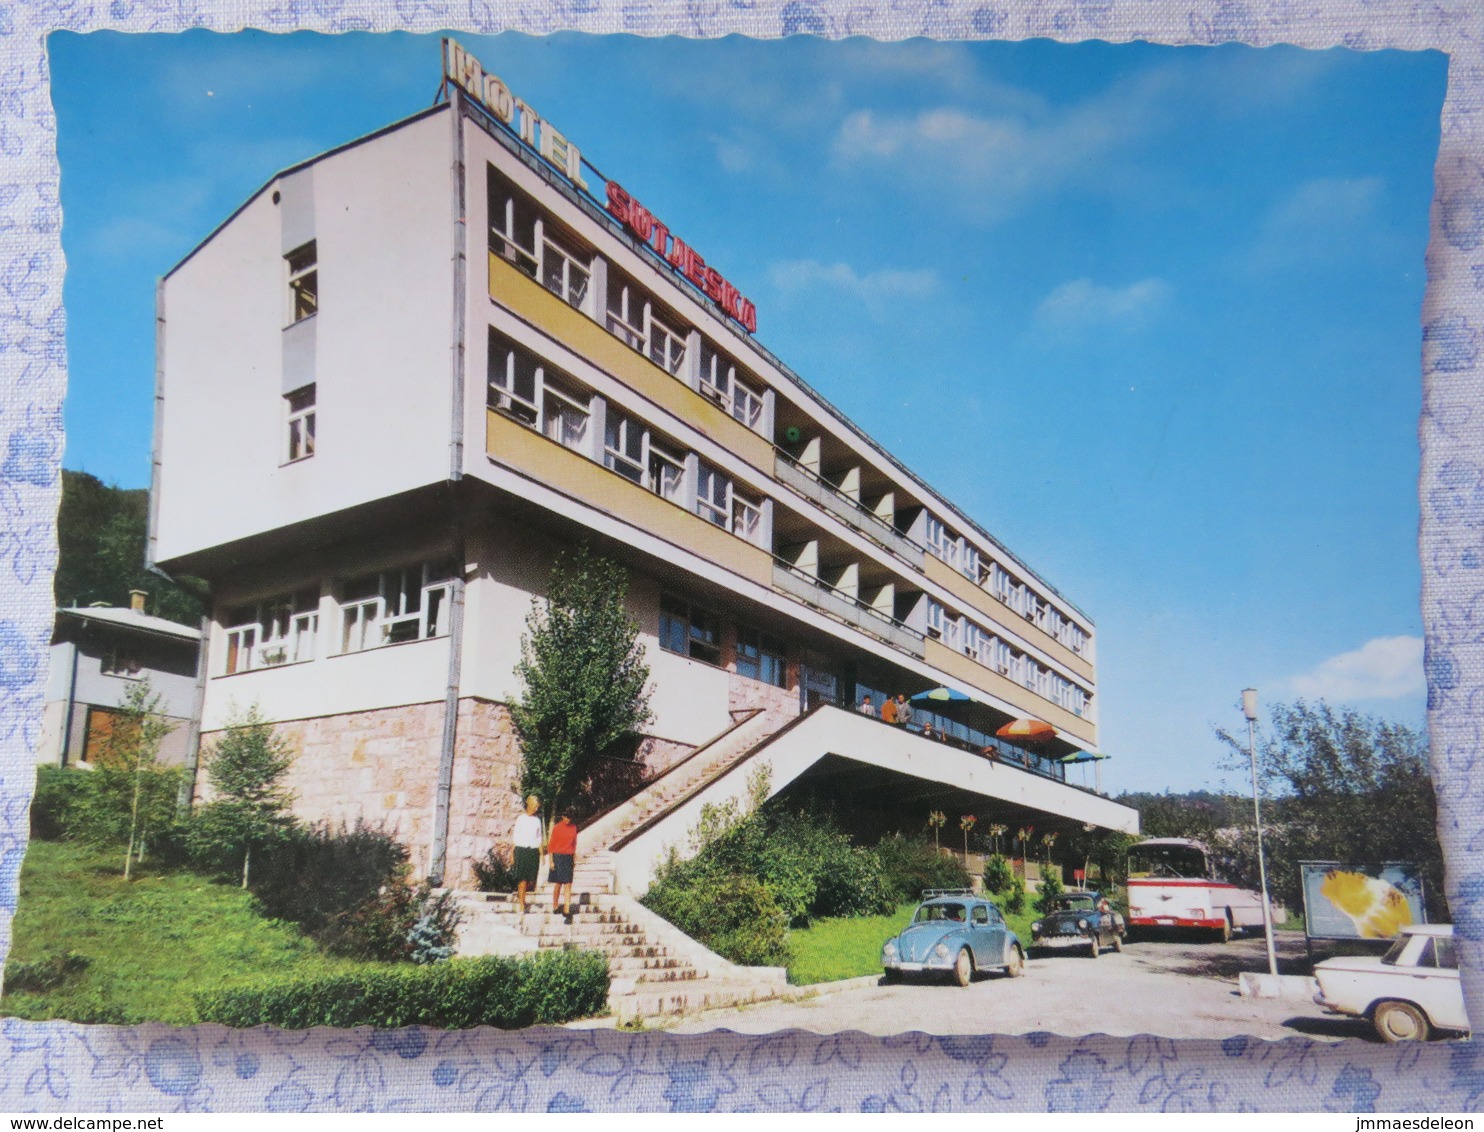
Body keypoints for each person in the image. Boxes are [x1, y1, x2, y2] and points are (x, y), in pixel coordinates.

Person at [511, 794, 543, 916]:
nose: (536, 809)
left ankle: (522, 897)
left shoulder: (537, 820)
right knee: (522, 879)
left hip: (533, 851)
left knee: (531, 879)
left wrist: (541, 852)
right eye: (535, 806)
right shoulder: (521, 819)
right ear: (529, 805)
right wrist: (512, 853)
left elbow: (539, 836)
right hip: (521, 849)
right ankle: (521, 904)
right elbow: (515, 836)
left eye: (537, 807)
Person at [547, 808, 578, 923]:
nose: (567, 819)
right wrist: (551, 861)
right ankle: (555, 905)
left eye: (569, 817)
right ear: (562, 816)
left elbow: (574, 845)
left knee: (568, 883)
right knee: (558, 883)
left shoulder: (574, 828)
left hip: (568, 857)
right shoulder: (557, 828)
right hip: (558, 856)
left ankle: (567, 909)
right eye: (566, 817)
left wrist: (574, 860)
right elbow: (551, 845)